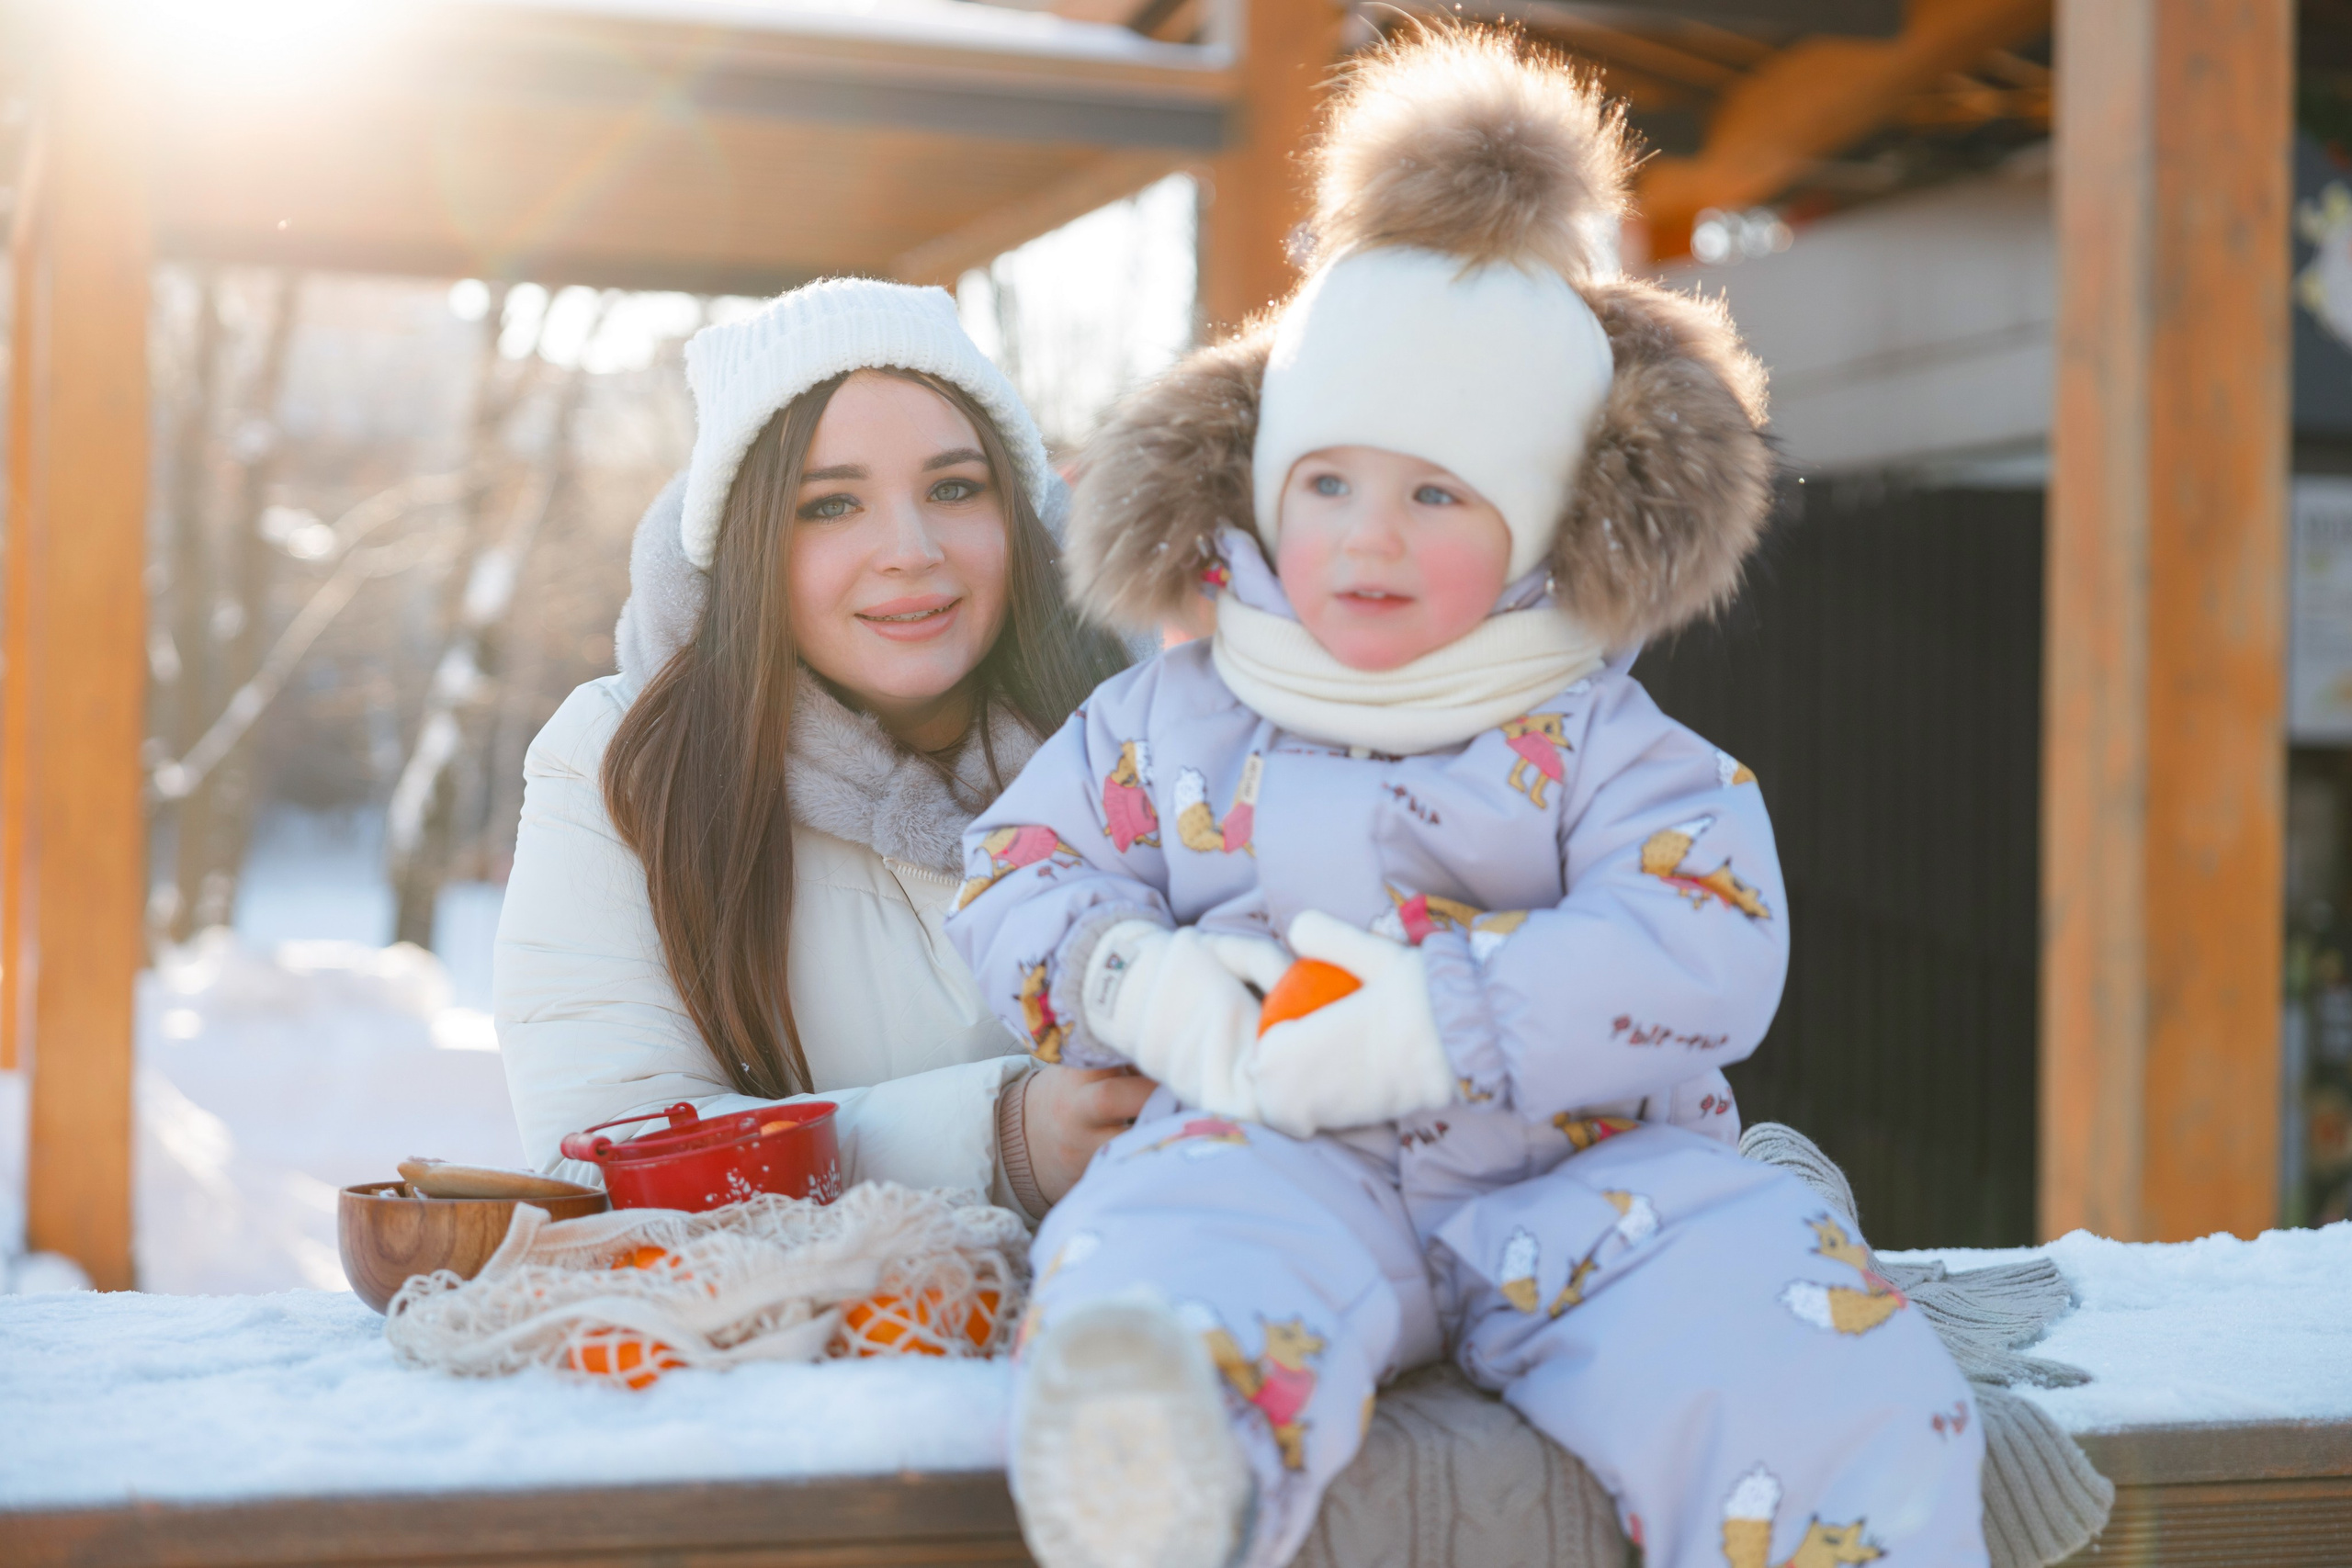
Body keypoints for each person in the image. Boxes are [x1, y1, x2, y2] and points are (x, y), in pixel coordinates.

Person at [947, 32, 1985, 1568]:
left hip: (1590, 1180)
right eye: (1329, 482)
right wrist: (1135, 977)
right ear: (1260, 485)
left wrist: (1453, 1013)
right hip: (1276, 1155)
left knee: (1782, 1316)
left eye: (1437, 492)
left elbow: (1708, 931)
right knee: (1162, 1248)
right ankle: (1159, 1456)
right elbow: (1014, 869)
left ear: (1531, 528)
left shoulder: (1590, 732)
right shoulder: (1170, 710)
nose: (1370, 534)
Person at [494, 278, 1134, 1220]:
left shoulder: (1151, 736)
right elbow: (603, 1157)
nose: (911, 549)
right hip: (816, 1360)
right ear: (749, 542)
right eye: (831, 506)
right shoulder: (620, 759)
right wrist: (1000, 1138)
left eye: (955, 488)